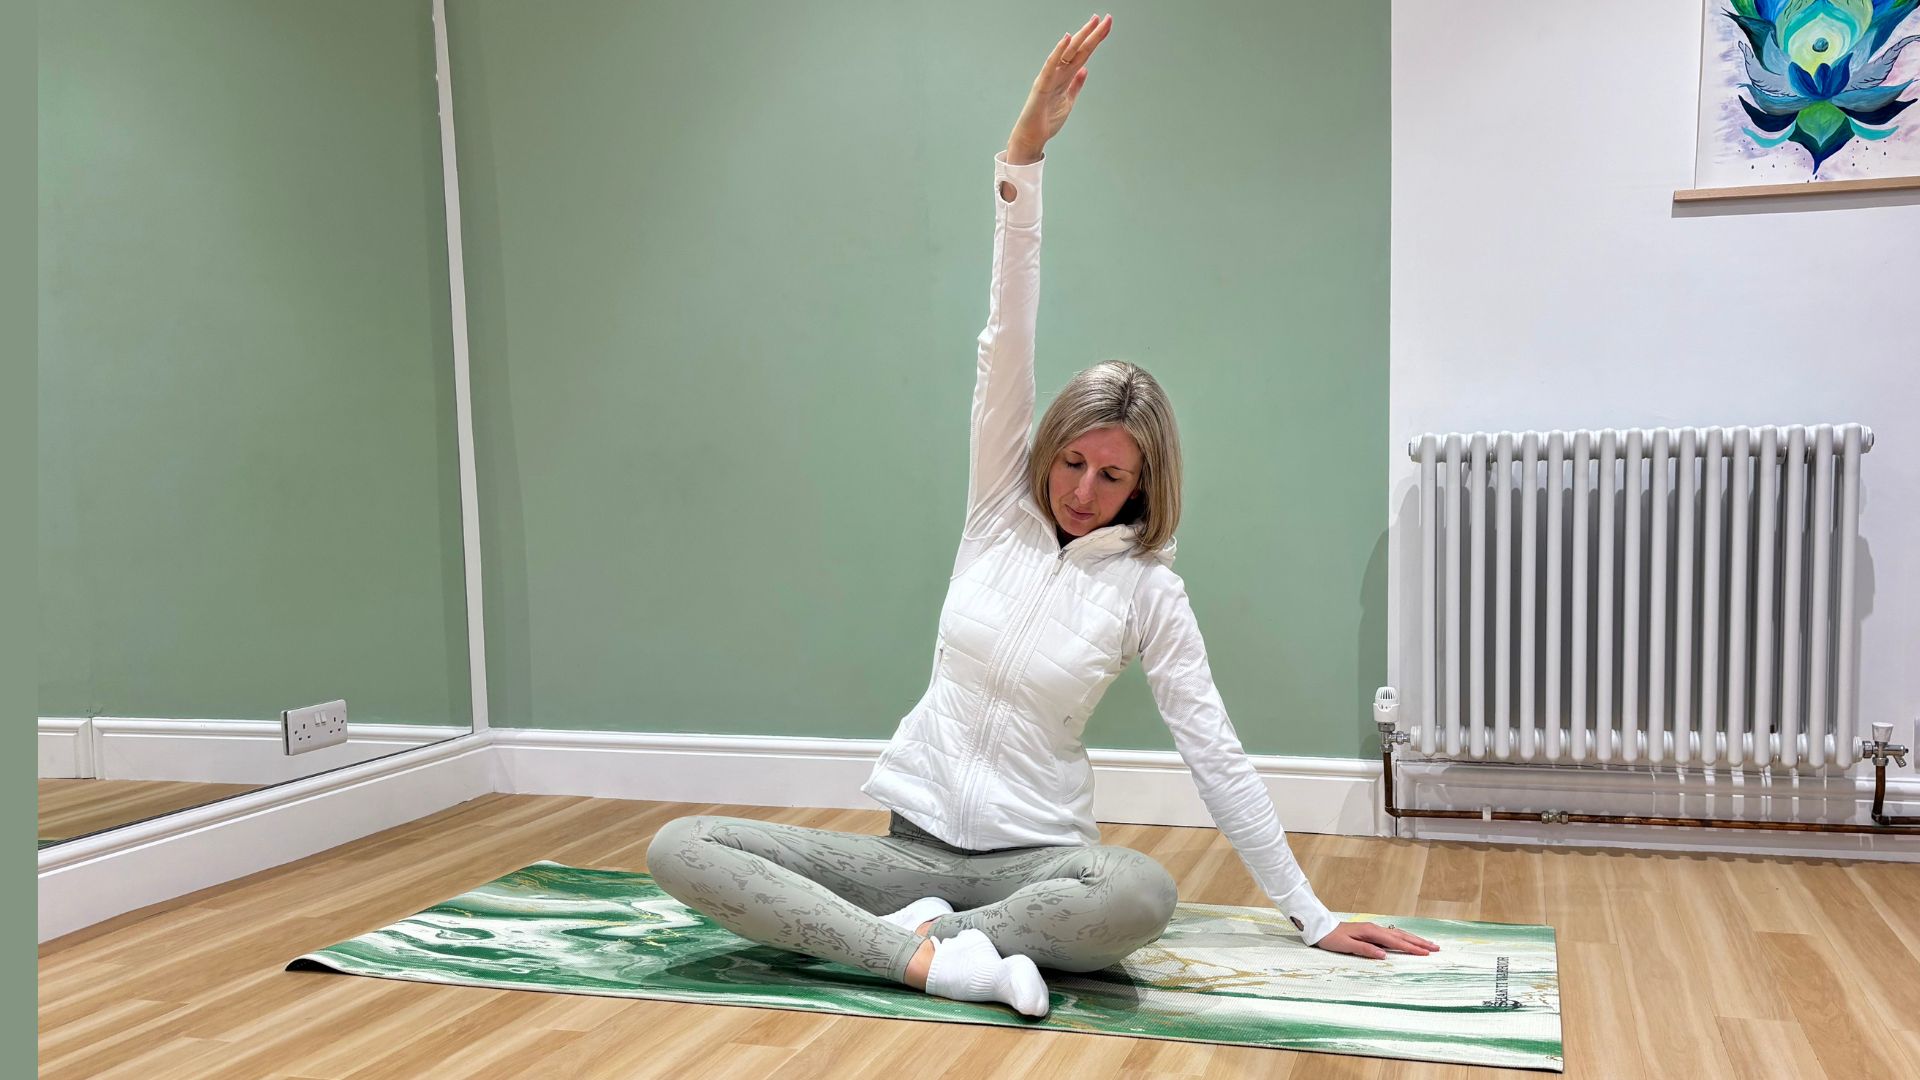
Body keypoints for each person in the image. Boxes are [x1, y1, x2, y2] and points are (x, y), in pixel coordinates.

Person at [648, 14, 1436, 1018]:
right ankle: (931, 958)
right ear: (1048, 447)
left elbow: (1214, 748)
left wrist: (1310, 912)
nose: (1081, 490)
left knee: (1141, 894)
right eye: (1072, 461)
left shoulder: (1148, 588)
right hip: (912, 846)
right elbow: (1004, 331)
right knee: (684, 846)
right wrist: (1025, 156)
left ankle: (930, 945)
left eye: (1112, 478)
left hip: (1038, 866)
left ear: (1143, 489)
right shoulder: (996, 508)